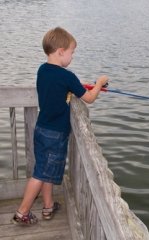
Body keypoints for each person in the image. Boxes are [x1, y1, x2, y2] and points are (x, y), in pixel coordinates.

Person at [11, 27, 109, 224]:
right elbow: (89, 98)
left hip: (41, 129)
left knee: (44, 169)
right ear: (61, 51)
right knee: (40, 174)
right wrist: (99, 83)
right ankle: (22, 213)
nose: (72, 57)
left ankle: (48, 206)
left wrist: (77, 85)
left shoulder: (42, 70)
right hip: (55, 134)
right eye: (72, 52)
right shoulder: (67, 76)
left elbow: (60, 85)